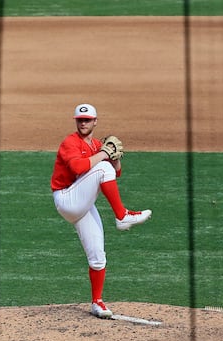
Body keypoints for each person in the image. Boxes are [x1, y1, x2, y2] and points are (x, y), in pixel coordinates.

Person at [51, 103, 151, 318]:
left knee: (98, 256)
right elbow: (78, 168)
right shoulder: (70, 142)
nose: (83, 123)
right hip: (67, 199)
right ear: (76, 121)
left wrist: (113, 158)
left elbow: (116, 173)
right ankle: (122, 215)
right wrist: (104, 156)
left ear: (95, 121)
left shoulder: (97, 145)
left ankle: (97, 302)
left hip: (83, 204)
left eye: (87, 120)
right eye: (80, 120)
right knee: (103, 167)